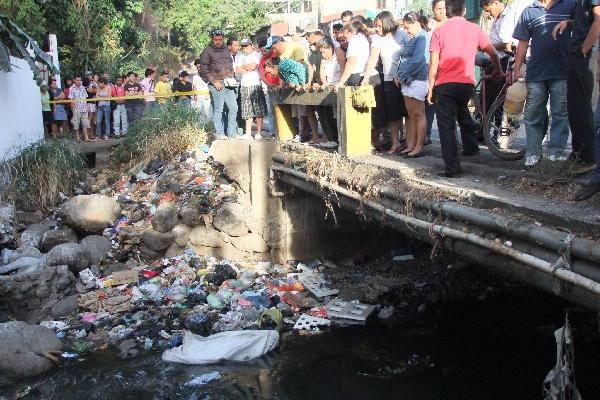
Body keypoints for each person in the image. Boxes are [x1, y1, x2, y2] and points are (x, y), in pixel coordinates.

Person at [428, 0, 501, 177]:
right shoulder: (474, 29)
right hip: (466, 83)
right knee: (462, 110)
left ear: (447, 11)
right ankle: (471, 147)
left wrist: (430, 89)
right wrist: (498, 69)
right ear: (464, 10)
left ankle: (452, 168)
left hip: (445, 83)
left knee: (446, 126)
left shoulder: (439, 31)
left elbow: (433, 65)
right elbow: (492, 51)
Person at [512, 0, 575, 167]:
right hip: (536, 73)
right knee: (533, 115)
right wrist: (517, 68)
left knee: (560, 114)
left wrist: (569, 22)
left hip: (561, 71)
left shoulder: (570, 4)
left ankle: (556, 153)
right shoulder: (529, 11)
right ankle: (533, 154)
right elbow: (523, 42)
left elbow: (584, 23)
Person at [553, 0, 600, 170]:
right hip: (578, 55)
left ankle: (587, 157)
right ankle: (579, 154)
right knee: (575, 106)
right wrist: (569, 23)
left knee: (582, 106)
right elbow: (586, 20)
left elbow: (599, 19)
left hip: (586, 56)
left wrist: (584, 50)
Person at [265, 35, 311, 142]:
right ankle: (298, 133)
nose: (273, 50)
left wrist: (301, 83)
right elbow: (286, 76)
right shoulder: (280, 58)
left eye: (273, 47)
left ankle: (305, 134)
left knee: (303, 111)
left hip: (302, 84)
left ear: (278, 43)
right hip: (294, 88)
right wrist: (283, 85)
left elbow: (299, 68)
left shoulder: (295, 48)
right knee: (296, 112)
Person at [375, 10, 409, 154]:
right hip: (389, 80)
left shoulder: (401, 34)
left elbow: (410, 54)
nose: (377, 28)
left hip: (405, 79)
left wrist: (403, 73)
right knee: (393, 114)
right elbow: (374, 58)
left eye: (378, 25)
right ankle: (395, 143)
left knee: (407, 112)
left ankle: (409, 141)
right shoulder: (379, 39)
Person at [398, 12, 430, 158]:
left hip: (417, 79)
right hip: (408, 79)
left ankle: (418, 146)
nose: (406, 30)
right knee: (410, 115)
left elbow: (418, 60)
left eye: (407, 27)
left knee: (418, 114)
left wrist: (403, 76)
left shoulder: (422, 37)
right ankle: (411, 144)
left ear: (416, 23)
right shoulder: (415, 38)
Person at [198, 29, 239, 139]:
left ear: (223, 39)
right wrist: (213, 81)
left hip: (229, 82)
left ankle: (232, 133)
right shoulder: (207, 51)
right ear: (212, 39)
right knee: (218, 109)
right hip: (216, 83)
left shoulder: (226, 48)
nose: (218, 41)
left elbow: (230, 65)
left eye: (220, 39)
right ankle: (220, 133)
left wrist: (232, 77)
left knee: (233, 108)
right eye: (216, 39)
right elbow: (203, 70)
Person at [235, 38, 268, 140]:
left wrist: (244, 67)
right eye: (243, 46)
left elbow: (254, 66)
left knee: (258, 110)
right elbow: (237, 69)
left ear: (251, 45)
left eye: (247, 46)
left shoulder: (258, 55)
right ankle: (248, 133)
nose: (245, 48)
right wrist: (247, 67)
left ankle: (258, 132)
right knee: (246, 110)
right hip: (244, 85)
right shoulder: (239, 55)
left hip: (255, 84)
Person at [314, 37, 340, 148]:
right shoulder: (323, 60)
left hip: (338, 86)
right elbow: (322, 74)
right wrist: (324, 83)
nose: (322, 54)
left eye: (323, 52)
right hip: (328, 87)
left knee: (333, 113)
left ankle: (337, 138)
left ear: (330, 48)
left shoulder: (338, 56)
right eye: (321, 52)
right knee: (321, 108)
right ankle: (331, 137)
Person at [303, 24, 326, 144]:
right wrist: (308, 83)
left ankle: (327, 137)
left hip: (326, 80)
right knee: (309, 109)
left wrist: (321, 81)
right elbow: (311, 66)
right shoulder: (311, 49)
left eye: (307, 36)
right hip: (315, 80)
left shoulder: (326, 43)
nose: (306, 39)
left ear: (311, 35)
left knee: (324, 111)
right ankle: (316, 136)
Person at [334, 20, 371, 89]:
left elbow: (351, 63)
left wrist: (341, 82)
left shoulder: (354, 41)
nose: (346, 41)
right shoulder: (363, 38)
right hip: (364, 75)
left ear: (351, 32)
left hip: (357, 77)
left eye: (346, 37)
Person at [258, 37, 281, 138]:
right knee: (271, 111)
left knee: (283, 109)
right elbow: (262, 75)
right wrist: (269, 85)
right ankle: (273, 132)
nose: (263, 52)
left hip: (280, 86)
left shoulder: (276, 55)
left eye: (264, 50)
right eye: (261, 51)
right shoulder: (262, 60)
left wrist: (280, 84)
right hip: (270, 87)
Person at [68, 75, 91, 142]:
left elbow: (85, 98)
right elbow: (71, 100)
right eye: (77, 80)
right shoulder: (71, 88)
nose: (79, 81)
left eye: (80, 80)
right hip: (76, 108)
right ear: (74, 80)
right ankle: (77, 137)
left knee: (85, 123)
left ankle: (86, 137)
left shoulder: (83, 87)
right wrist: (73, 109)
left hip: (84, 107)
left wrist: (87, 107)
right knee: (76, 123)